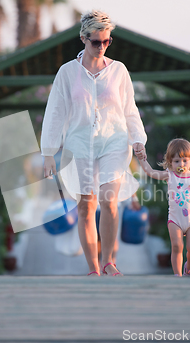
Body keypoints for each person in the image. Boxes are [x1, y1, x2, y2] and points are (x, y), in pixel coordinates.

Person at [40, 10, 147, 277]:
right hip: (78, 146)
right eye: (96, 42)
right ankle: (92, 268)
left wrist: (138, 140)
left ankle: (109, 261)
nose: (101, 47)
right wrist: (48, 152)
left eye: (107, 41)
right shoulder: (67, 72)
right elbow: (55, 112)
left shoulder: (119, 71)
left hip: (114, 142)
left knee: (109, 201)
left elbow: (129, 109)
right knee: (86, 206)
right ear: (83, 39)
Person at [138, 138, 190, 276]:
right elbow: (150, 172)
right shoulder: (170, 175)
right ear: (170, 162)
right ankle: (177, 275)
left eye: (185, 160)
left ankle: (189, 267)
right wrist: (142, 159)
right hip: (175, 219)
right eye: (176, 161)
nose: (181, 164)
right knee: (177, 246)